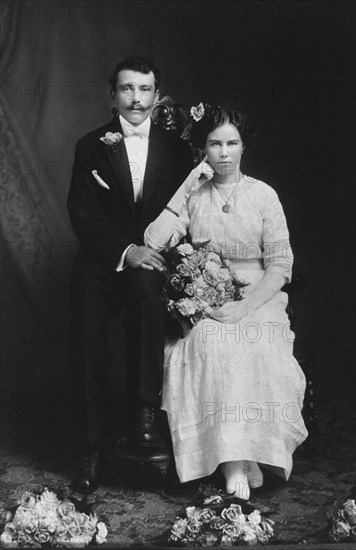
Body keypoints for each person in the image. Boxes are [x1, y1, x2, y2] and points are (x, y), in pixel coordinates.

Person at [144, 104, 308, 500]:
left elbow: (280, 265)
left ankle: (244, 451)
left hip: (257, 294)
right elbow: (153, 241)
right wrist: (186, 185)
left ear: (243, 147)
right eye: (214, 144)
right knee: (210, 344)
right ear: (203, 150)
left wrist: (246, 304)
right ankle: (234, 463)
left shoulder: (264, 195)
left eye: (231, 143)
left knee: (252, 342)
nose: (223, 153)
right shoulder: (195, 196)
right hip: (206, 295)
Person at [67, 56, 193, 493]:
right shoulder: (91, 146)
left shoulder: (177, 148)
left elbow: (186, 209)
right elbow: (83, 214)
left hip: (155, 258)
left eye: (144, 90)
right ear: (112, 95)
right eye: (126, 89)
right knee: (87, 316)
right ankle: (92, 443)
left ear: (157, 96)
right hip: (104, 258)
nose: (135, 98)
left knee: (147, 295)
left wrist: (152, 252)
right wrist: (126, 250)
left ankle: (143, 418)